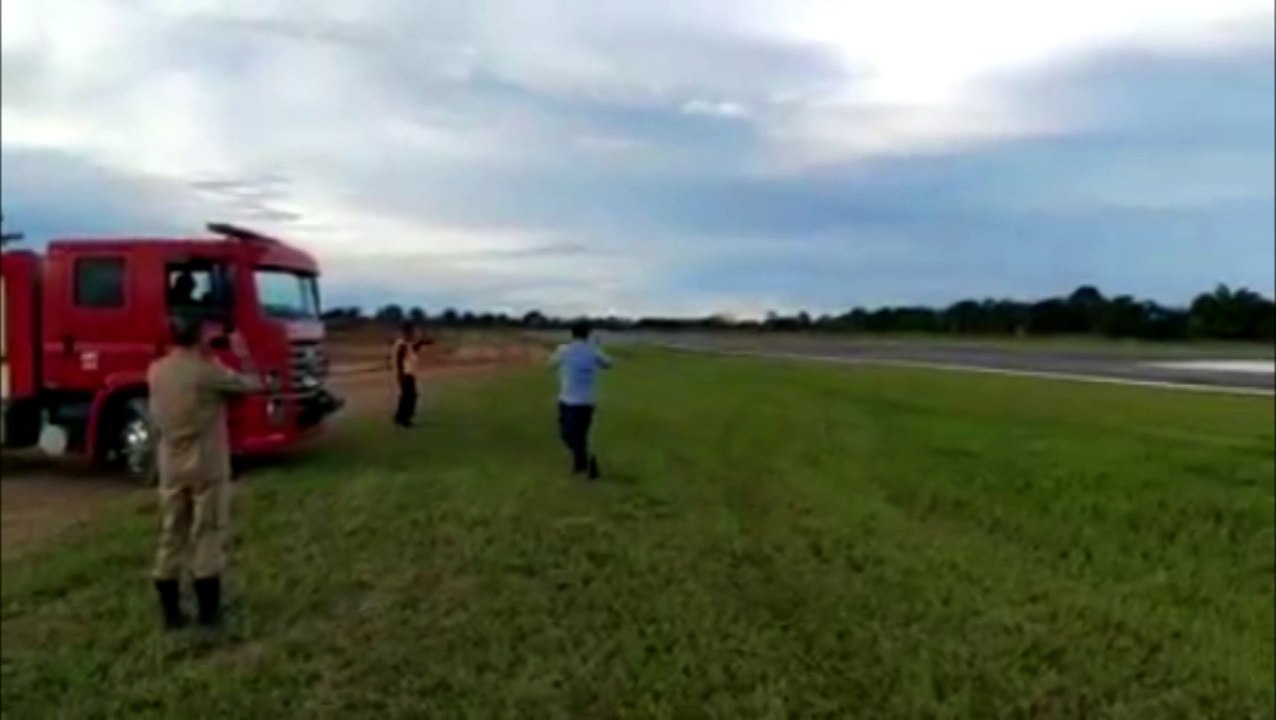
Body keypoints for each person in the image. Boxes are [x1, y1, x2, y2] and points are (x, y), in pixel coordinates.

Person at [147, 315, 261, 630]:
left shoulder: (156, 370)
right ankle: (209, 615)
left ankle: (171, 614)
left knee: (172, 534)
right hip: (206, 465)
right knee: (207, 533)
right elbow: (252, 385)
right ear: (199, 338)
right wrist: (242, 353)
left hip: (171, 464)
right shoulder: (208, 372)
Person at [549, 321, 613, 479]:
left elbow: (550, 364)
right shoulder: (592, 351)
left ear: (572, 333)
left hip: (569, 400)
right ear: (587, 334)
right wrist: (594, 347)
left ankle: (584, 463)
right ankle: (583, 461)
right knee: (578, 435)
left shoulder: (564, 350)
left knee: (569, 435)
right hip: (586, 401)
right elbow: (609, 364)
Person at [390, 322, 425, 428]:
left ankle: (399, 417)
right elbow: (399, 360)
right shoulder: (402, 344)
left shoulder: (406, 343)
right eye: (411, 332)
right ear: (406, 332)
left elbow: (412, 350)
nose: (413, 334)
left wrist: (421, 343)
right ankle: (405, 419)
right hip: (406, 374)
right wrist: (401, 375)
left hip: (408, 373)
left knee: (406, 396)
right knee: (410, 396)